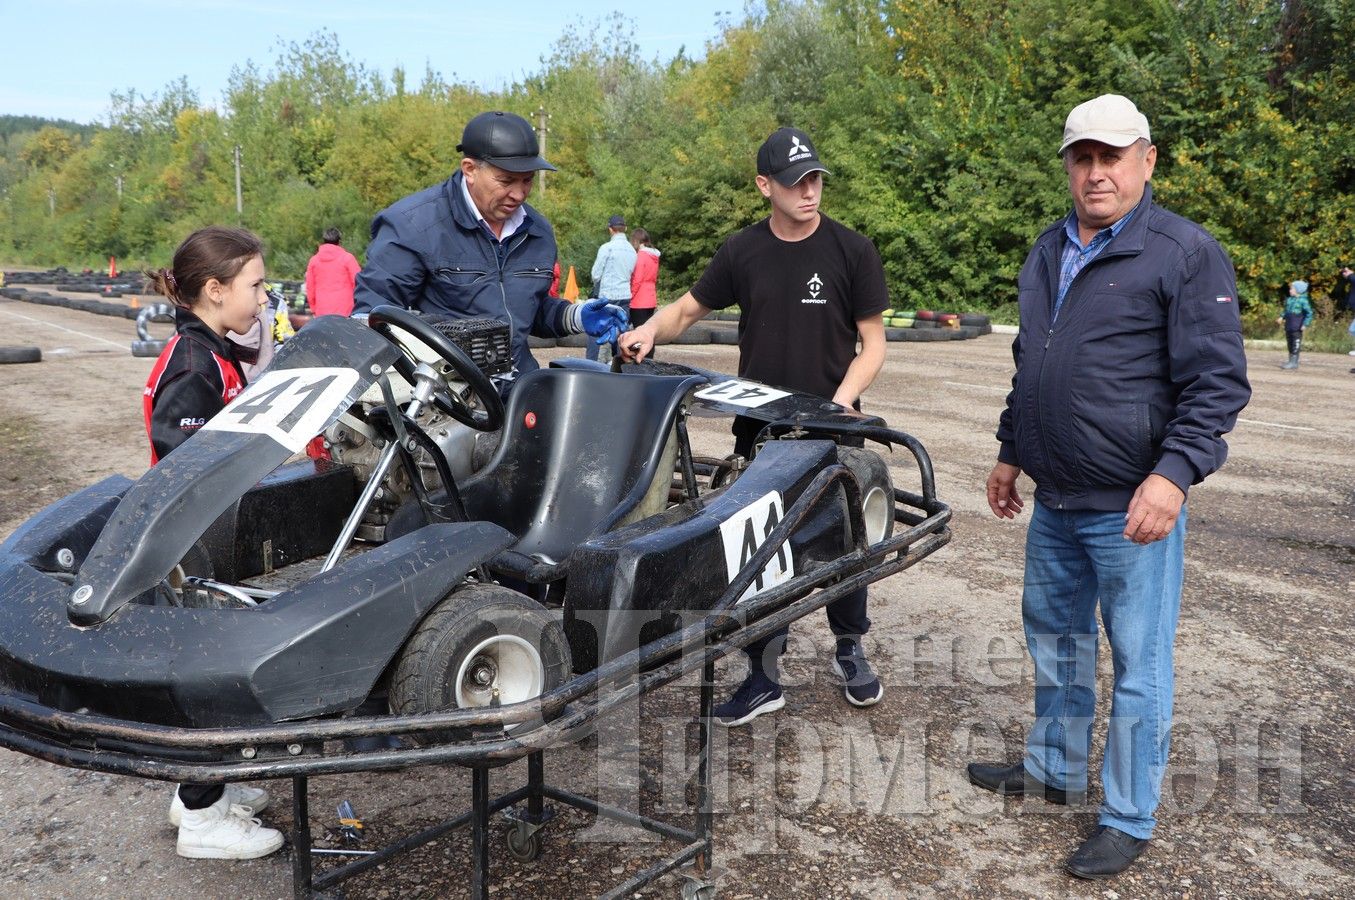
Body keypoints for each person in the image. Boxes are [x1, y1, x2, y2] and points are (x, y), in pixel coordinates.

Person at [970, 94, 1250, 880]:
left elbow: (1216, 385)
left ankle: (1127, 816)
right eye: (1082, 157)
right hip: (1054, 500)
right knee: (1055, 643)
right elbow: (1033, 361)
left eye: (1112, 156)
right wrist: (1008, 450)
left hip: (1132, 504)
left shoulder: (1183, 253)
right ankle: (1053, 771)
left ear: (1146, 160)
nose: (1096, 172)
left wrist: (1172, 476)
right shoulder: (1049, 248)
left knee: (1137, 661)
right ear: (1067, 164)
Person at [619, 126, 889, 727]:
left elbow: (873, 344)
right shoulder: (742, 251)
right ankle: (764, 676)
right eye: (796, 183)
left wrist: (841, 403)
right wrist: (647, 332)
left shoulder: (852, 251)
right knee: (761, 550)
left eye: (816, 179)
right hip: (761, 428)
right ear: (766, 185)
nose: (810, 191)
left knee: (845, 543)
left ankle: (851, 647)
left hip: (832, 426)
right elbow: (689, 310)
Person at [143, 226, 284, 859]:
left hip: (202, 533)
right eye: (255, 286)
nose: (262, 298)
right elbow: (183, 454)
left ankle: (199, 792)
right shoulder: (196, 362)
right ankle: (202, 820)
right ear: (214, 289)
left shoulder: (215, 349)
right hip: (189, 540)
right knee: (211, 673)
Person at [352, 111, 626, 376]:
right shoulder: (412, 226)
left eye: (527, 181)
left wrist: (576, 316)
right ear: (470, 169)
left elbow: (525, 309)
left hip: (516, 391)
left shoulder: (537, 231)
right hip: (443, 399)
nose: (519, 194)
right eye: (506, 180)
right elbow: (373, 316)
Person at [586, 214, 637, 361]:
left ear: (610, 229)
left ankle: (590, 364)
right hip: (625, 296)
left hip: (607, 295)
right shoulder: (632, 251)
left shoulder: (606, 248)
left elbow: (595, 274)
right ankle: (618, 364)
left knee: (594, 330)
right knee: (620, 331)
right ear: (625, 228)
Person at [305, 226, 361, 317]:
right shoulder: (348, 258)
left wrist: (314, 309)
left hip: (322, 310)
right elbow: (358, 283)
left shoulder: (314, 260)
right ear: (339, 241)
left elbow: (310, 287)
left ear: (324, 240)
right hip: (346, 310)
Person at [1276, 279, 1313, 369]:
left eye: (1292, 289)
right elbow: (1286, 311)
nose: (1290, 290)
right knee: (1289, 343)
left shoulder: (1303, 301)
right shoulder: (1289, 300)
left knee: (1295, 343)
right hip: (1289, 325)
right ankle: (1290, 360)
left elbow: (1309, 313)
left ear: (1298, 290)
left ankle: (1294, 362)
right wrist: (1281, 317)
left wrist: (1305, 324)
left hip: (1297, 326)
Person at [628, 227, 661, 328]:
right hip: (651, 298)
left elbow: (637, 280)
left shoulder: (641, 256)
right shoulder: (654, 256)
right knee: (648, 332)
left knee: (639, 332)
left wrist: (630, 295)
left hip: (639, 300)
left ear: (636, 241)